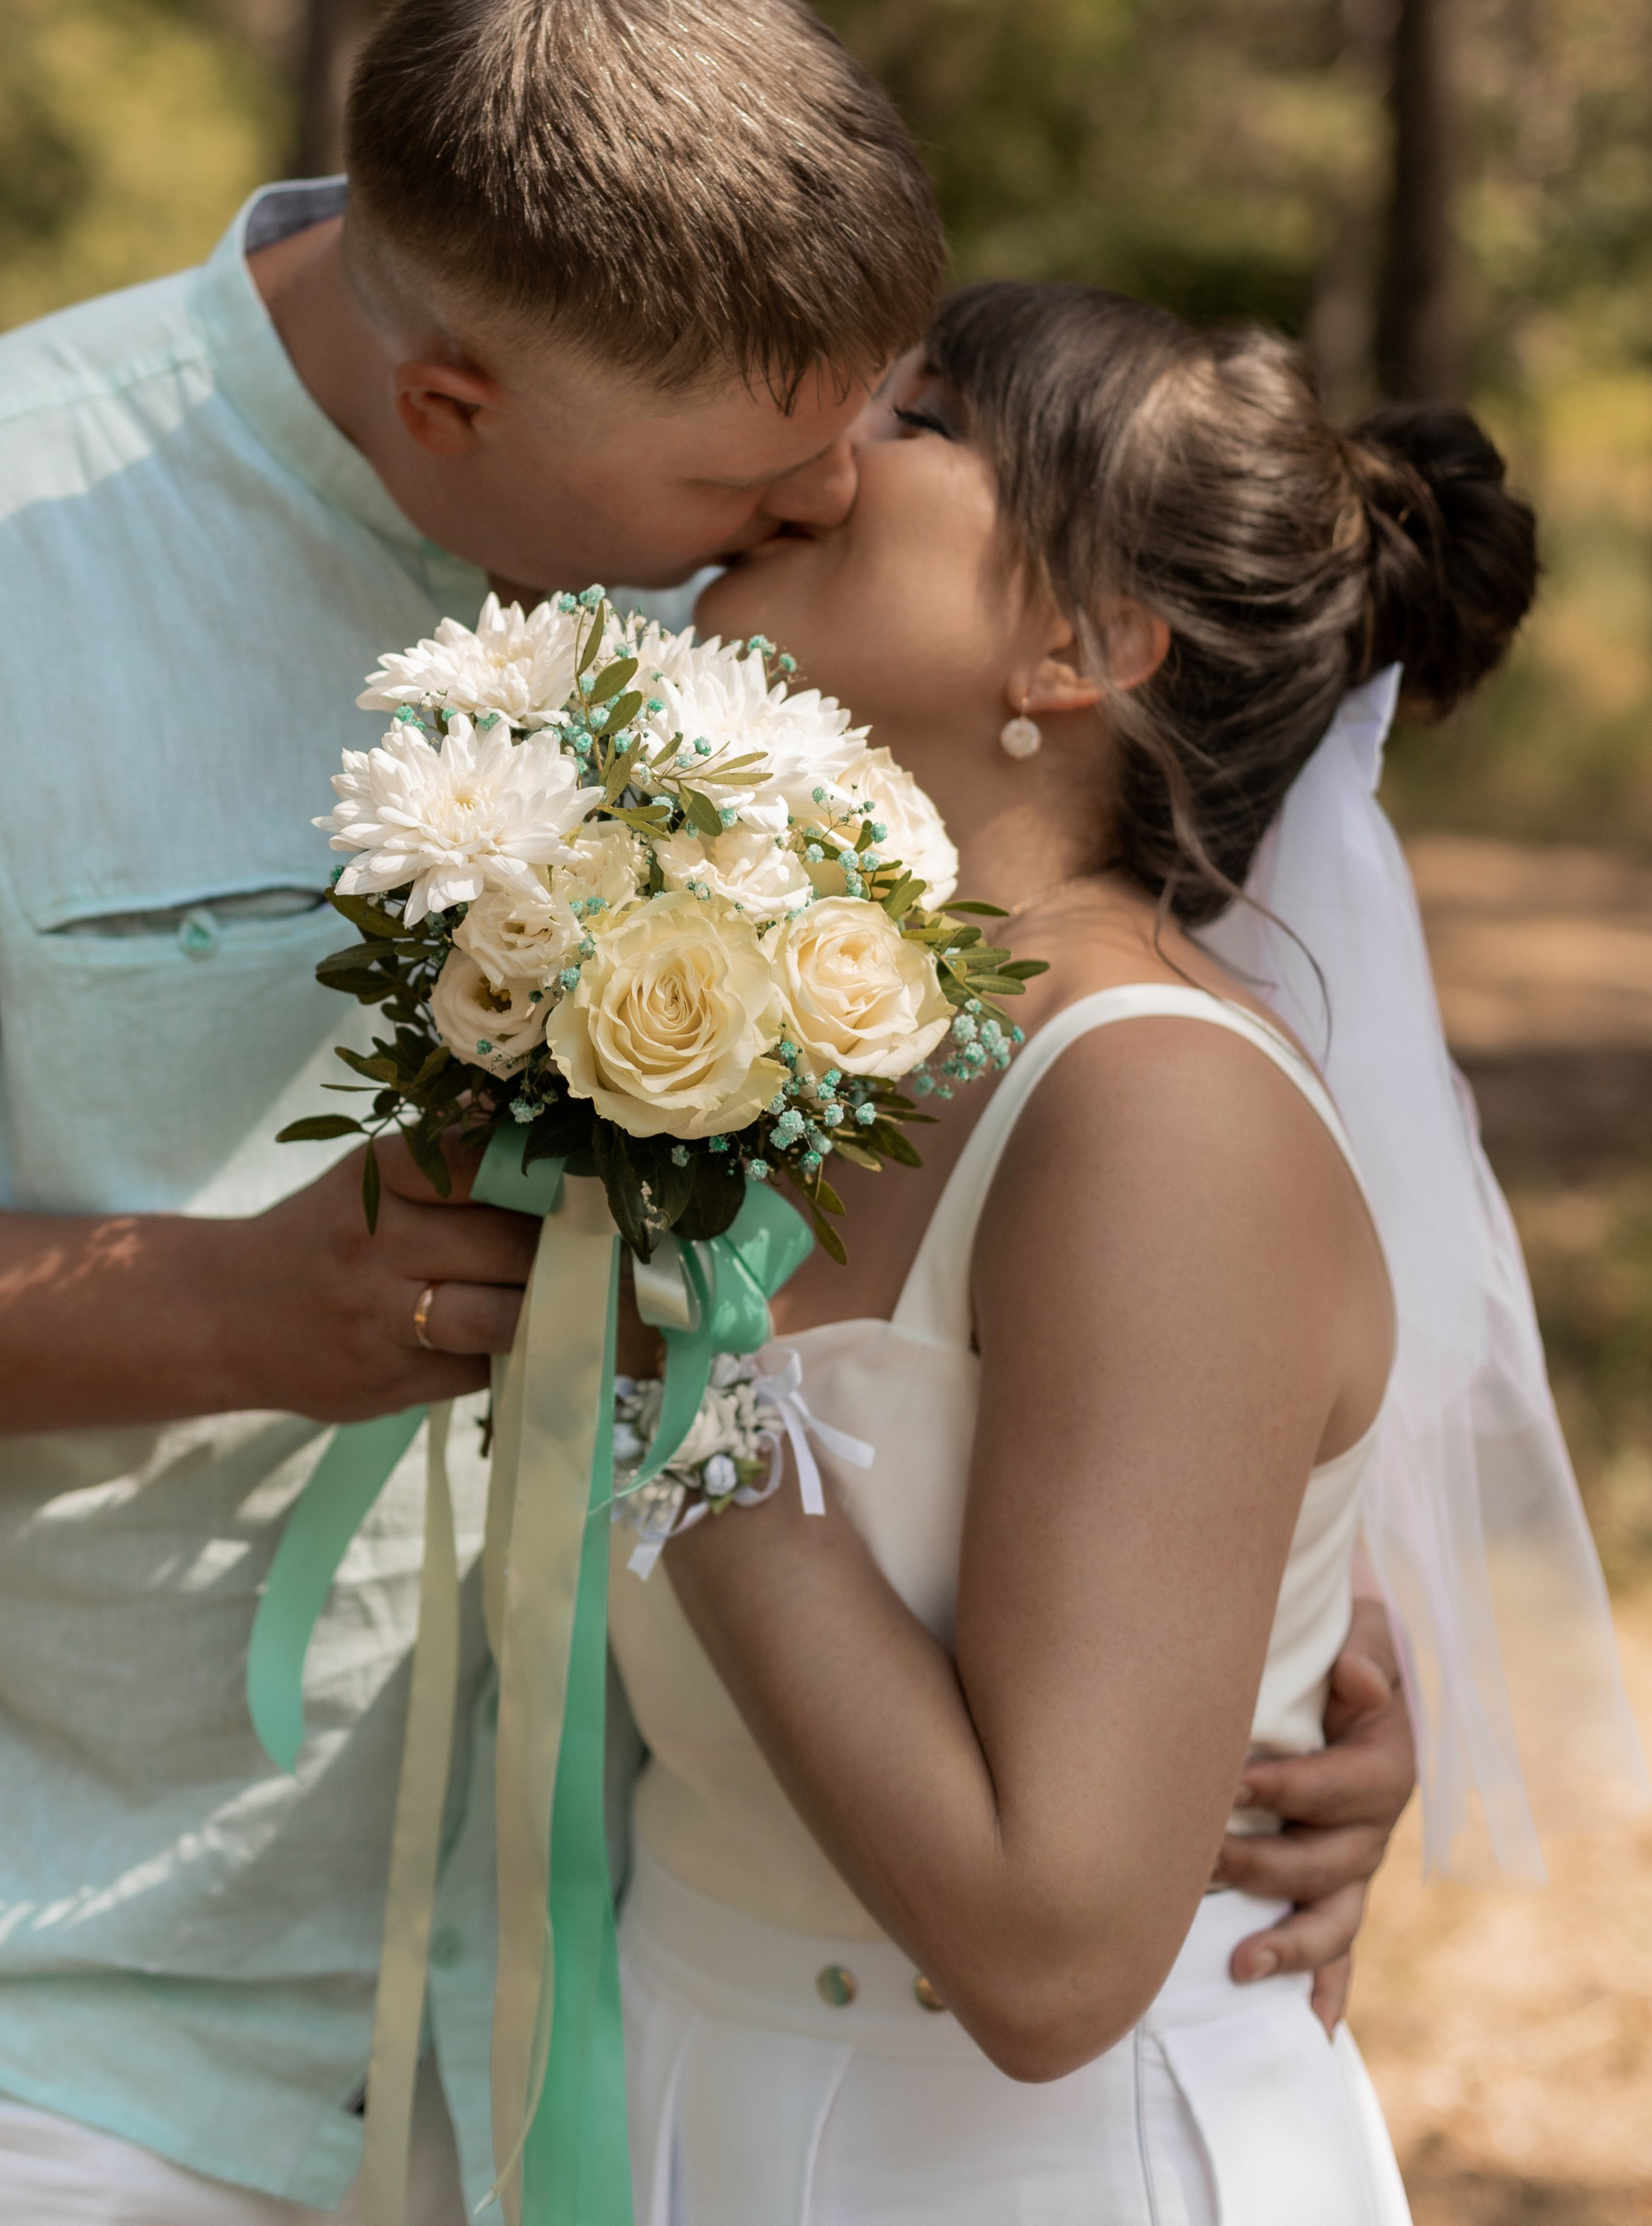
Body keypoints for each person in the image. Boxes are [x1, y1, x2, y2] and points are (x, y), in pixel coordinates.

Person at [0, 0, 1408, 2224]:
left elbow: (1095, 1182)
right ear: (454, 403)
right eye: (753, 486)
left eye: (871, 425)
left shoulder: (788, 556)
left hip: (645, 1995)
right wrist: (229, 1313)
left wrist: (1259, 1663)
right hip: (69, 2010)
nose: (824, 506)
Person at [608, 281, 1553, 2224]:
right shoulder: (760, 1020)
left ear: (1082, 642)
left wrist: (656, 1378)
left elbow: (1049, 1955)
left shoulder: (1151, 1121)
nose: (823, 456)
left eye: (924, 421)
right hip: (674, 2085)